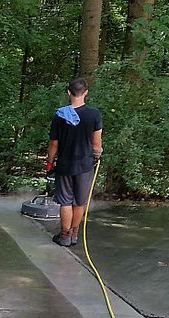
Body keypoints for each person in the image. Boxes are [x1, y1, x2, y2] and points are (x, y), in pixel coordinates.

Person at [46, 77, 103, 246]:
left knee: (65, 201)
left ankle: (64, 236)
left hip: (64, 165)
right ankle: (74, 233)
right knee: (79, 202)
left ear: (68, 93)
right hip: (85, 166)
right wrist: (95, 157)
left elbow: (53, 143)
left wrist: (49, 163)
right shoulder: (94, 114)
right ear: (85, 93)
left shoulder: (59, 115)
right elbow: (97, 144)